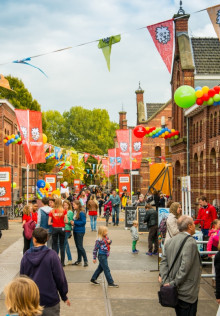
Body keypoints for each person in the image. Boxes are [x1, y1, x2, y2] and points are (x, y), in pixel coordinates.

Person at [20, 228, 70, 316]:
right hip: (50, 300)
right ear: (47, 238)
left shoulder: (26, 256)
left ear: (34, 239)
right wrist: (64, 295)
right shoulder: (52, 255)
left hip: (32, 301)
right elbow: (60, 278)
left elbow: (22, 280)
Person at [160, 216, 202, 316]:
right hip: (186, 293)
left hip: (175, 292)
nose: (195, 225)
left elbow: (163, 262)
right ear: (189, 226)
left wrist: (166, 281)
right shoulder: (190, 242)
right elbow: (185, 268)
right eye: (193, 223)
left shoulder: (170, 241)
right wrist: (172, 284)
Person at [48, 198, 68, 267]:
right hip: (62, 228)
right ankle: (62, 262)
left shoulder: (52, 211)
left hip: (55, 229)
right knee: (62, 245)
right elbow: (67, 221)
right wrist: (62, 222)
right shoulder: (64, 211)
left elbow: (49, 222)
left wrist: (54, 223)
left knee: (55, 245)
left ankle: (55, 262)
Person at [72, 200, 88, 267]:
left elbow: (83, 222)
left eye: (74, 205)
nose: (73, 206)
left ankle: (85, 260)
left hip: (80, 231)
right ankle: (79, 260)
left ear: (78, 205)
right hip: (75, 230)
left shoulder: (81, 213)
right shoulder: (76, 212)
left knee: (80, 246)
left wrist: (75, 223)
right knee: (78, 246)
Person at [63, 200, 74, 265]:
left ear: (69, 205)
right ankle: (69, 259)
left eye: (66, 205)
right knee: (66, 244)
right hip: (63, 229)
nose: (65, 206)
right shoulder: (63, 211)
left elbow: (70, 221)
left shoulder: (69, 212)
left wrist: (64, 221)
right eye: (64, 205)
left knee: (64, 244)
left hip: (67, 229)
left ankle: (65, 259)